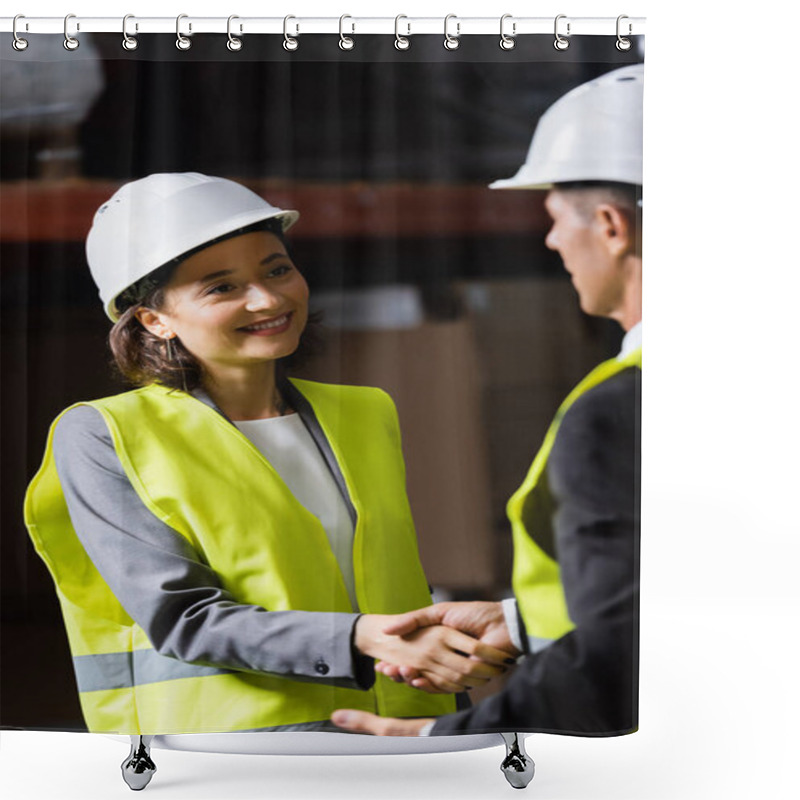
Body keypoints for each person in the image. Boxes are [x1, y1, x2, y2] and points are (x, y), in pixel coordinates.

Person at [24, 172, 515, 736]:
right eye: (221, 287)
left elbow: (386, 584)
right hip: (232, 755)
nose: (268, 299)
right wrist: (361, 638)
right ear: (152, 320)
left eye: (277, 269)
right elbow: (183, 617)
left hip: (406, 731)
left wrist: (445, 649)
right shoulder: (105, 434)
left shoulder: (364, 414)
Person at [331, 63, 643, 737]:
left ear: (613, 226)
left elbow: (621, 649)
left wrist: (452, 739)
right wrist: (522, 620)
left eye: (557, 218)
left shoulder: (620, 409)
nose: (552, 239)